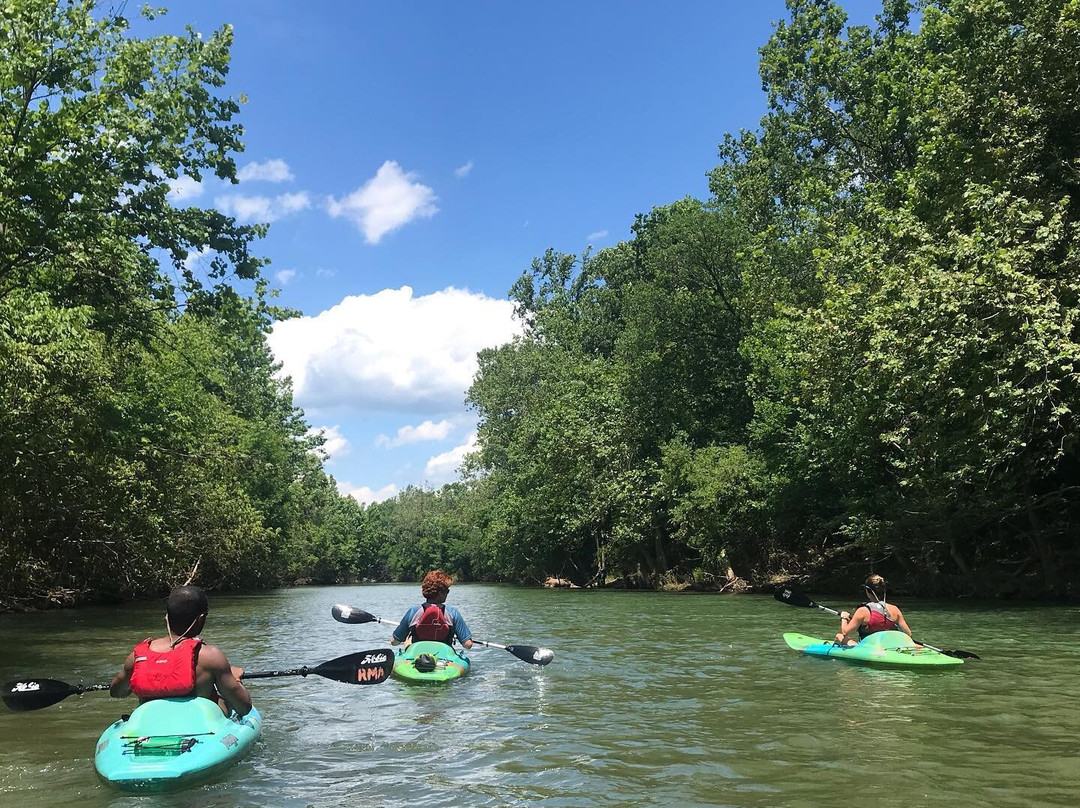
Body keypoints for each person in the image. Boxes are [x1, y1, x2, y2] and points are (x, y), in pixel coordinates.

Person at [110, 585, 252, 717]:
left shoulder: (137, 656)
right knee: (222, 701)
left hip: (152, 728)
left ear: (166, 617)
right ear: (201, 619)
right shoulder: (210, 656)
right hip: (199, 729)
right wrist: (235, 678)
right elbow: (244, 708)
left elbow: (116, 692)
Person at [391, 570, 473, 651]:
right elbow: (467, 644)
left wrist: (407, 643)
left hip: (418, 655)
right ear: (441, 593)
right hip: (444, 657)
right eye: (447, 591)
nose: (448, 593)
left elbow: (394, 642)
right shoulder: (452, 613)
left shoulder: (413, 612)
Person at [835, 574, 913, 646]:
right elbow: (908, 634)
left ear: (867, 591)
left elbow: (845, 632)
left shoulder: (863, 611)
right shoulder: (895, 609)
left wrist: (844, 618)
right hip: (889, 646)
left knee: (839, 636)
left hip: (868, 648)